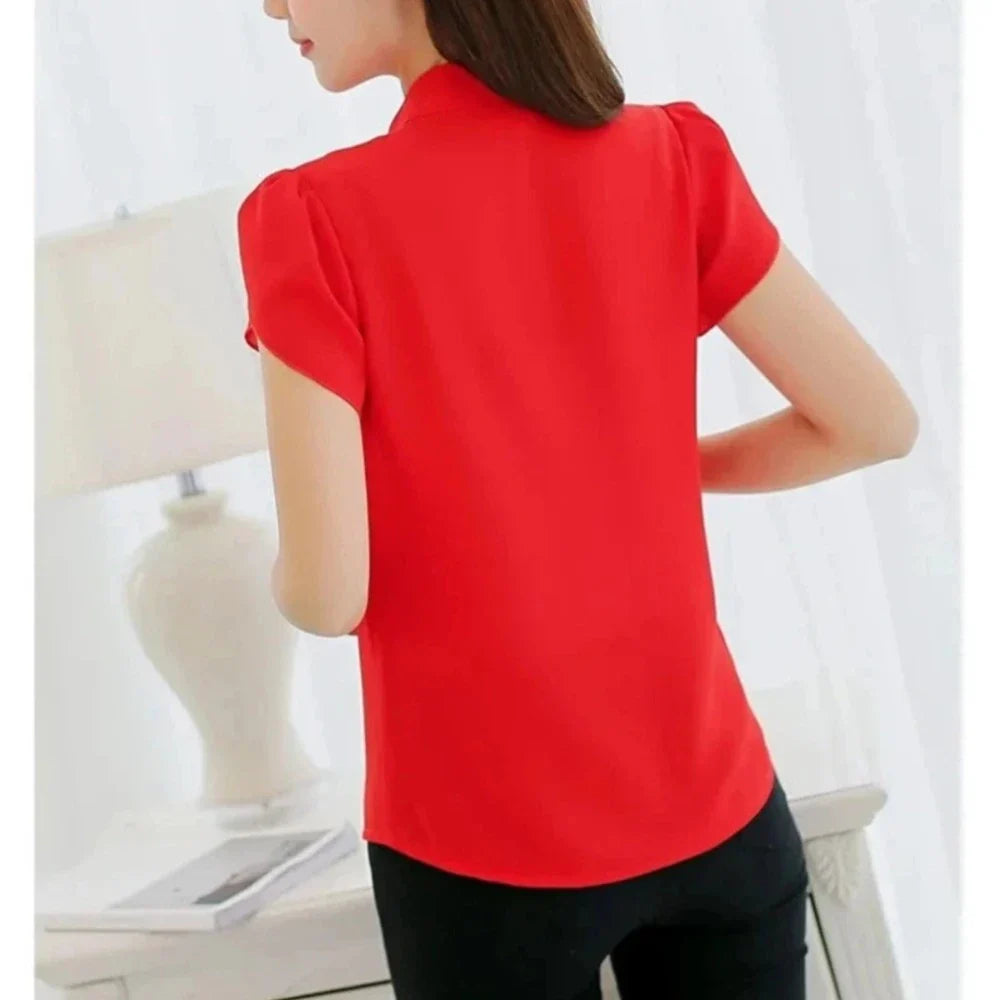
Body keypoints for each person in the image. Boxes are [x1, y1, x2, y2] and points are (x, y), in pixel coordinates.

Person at [236, 2, 920, 998]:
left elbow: (326, 594)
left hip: (481, 853)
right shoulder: (671, 155)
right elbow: (873, 424)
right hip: (721, 817)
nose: (272, 4)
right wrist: (637, 464)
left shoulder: (311, 216)